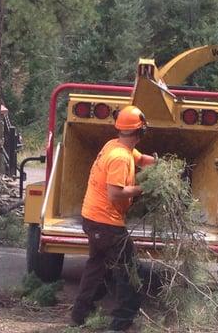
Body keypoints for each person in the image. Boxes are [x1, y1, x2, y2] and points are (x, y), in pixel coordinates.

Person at [72, 105, 155, 331]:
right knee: (130, 271)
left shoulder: (115, 145)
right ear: (141, 132)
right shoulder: (119, 158)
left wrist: (159, 165)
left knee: (96, 265)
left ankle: (80, 313)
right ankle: (122, 321)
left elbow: (140, 159)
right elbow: (115, 193)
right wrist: (143, 187)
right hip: (106, 223)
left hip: (92, 218)